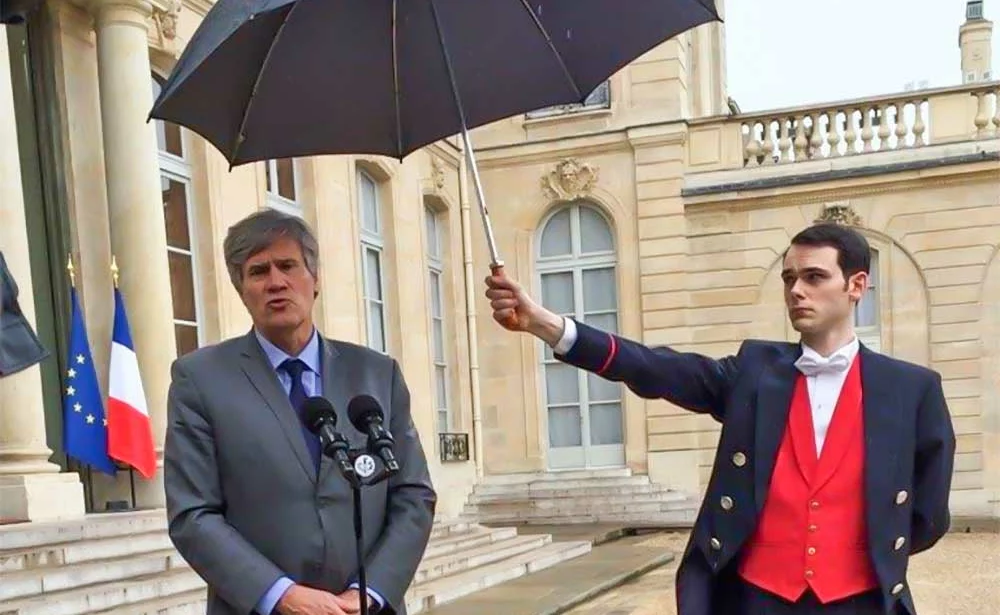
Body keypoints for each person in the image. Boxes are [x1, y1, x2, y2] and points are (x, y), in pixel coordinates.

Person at [485, 223, 955, 615]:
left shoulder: (912, 388)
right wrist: (546, 324)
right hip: (755, 599)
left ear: (856, 286)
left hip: (861, 601)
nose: (796, 290)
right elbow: (656, 368)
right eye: (789, 278)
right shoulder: (754, 370)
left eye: (814, 277)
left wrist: (862, 553)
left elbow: (927, 515)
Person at [165, 209, 436, 615]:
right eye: (258, 272)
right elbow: (193, 513)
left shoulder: (376, 374)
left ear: (315, 279)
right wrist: (280, 595)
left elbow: (413, 493)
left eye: (288, 265)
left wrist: (371, 591)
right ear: (242, 290)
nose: (276, 282)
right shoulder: (200, 379)